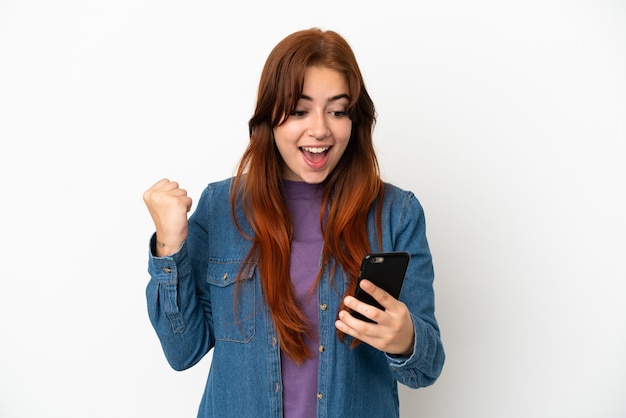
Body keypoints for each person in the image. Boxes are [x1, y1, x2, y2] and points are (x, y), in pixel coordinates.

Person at [143, 28, 445, 418]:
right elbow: (182, 351)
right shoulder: (221, 207)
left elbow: (426, 368)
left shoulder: (396, 213)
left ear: (355, 120)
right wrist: (170, 247)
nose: (319, 129)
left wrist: (406, 339)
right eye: (300, 111)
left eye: (337, 111)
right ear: (270, 117)